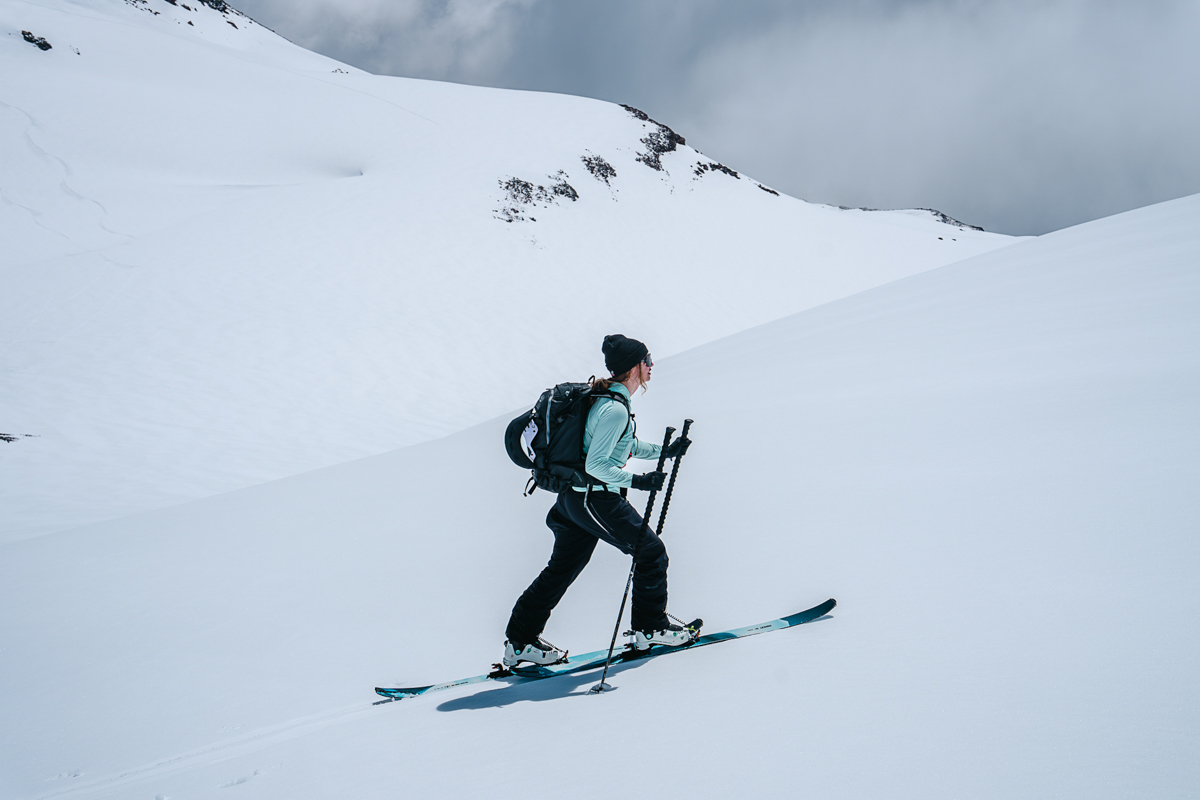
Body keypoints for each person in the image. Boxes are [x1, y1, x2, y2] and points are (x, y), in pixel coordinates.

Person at [503, 334, 693, 668]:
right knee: (651, 553)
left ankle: (520, 642)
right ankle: (650, 627)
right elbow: (597, 466)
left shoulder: (605, 400)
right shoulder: (614, 409)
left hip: (573, 501)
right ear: (634, 367)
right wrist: (639, 481)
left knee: (562, 569)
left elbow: (624, 446)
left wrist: (665, 452)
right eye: (647, 359)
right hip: (595, 499)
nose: (651, 365)